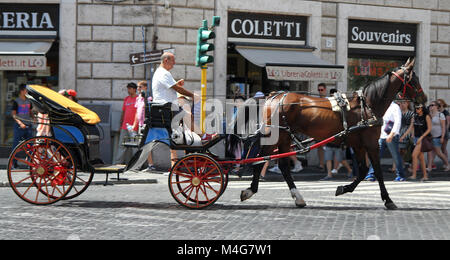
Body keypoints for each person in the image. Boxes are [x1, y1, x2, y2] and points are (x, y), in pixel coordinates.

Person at [152, 52, 194, 168]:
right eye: (173, 61)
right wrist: (193, 95)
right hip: (166, 108)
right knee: (188, 114)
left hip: (165, 107)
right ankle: (197, 139)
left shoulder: (161, 73)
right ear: (166, 60)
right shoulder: (164, 73)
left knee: (185, 120)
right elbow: (177, 90)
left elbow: (172, 87)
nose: (174, 64)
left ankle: (190, 142)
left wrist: (177, 84)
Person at [365, 101, 406, 182]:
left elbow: (398, 122)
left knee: (395, 156)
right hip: (382, 135)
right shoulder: (381, 106)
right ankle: (371, 174)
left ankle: (400, 175)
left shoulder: (395, 107)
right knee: (376, 156)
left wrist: (392, 134)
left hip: (392, 136)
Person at [403, 104, 432, 181]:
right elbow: (411, 127)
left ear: (422, 109)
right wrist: (404, 136)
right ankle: (425, 176)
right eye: (416, 108)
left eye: (418, 108)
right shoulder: (414, 116)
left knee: (414, 155)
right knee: (421, 158)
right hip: (416, 138)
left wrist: (421, 137)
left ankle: (414, 175)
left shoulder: (426, 116)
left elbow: (429, 129)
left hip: (423, 138)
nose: (417, 109)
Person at [132, 81, 155, 171]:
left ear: (145, 88)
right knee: (141, 145)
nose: (138, 89)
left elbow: (149, 110)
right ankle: (145, 164)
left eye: (140, 87)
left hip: (146, 124)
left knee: (145, 144)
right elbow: (137, 112)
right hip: (140, 125)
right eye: (138, 87)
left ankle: (148, 165)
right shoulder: (138, 98)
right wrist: (134, 124)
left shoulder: (148, 98)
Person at [113, 82, 138, 165]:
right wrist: (121, 124)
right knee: (122, 145)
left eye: (130, 88)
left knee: (135, 146)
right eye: (128, 88)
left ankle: (136, 164)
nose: (128, 90)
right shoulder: (126, 99)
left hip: (134, 127)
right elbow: (123, 112)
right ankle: (118, 163)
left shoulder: (138, 99)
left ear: (134, 89)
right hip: (125, 126)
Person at [12, 84, 33, 167]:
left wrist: (34, 117)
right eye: (26, 90)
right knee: (16, 145)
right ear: (22, 91)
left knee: (30, 145)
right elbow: (13, 115)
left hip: (28, 125)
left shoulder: (29, 101)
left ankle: (30, 164)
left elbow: (30, 111)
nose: (27, 92)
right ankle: (14, 164)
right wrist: (20, 123)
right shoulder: (16, 101)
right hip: (19, 126)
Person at [426, 101, 450, 172]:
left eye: (432, 105)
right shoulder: (428, 115)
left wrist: (442, 137)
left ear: (437, 106)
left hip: (438, 136)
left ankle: (447, 164)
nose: (431, 106)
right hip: (430, 137)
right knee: (429, 152)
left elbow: (443, 127)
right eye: (430, 105)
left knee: (438, 153)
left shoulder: (440, 115)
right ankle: (429, 167)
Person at [316, 83, 327, 170]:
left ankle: (329, 165)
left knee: (327, 147)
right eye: (319, 90)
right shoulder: (316, 100)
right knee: (319, 147)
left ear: (325, 90)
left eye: (321, 90)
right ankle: (321, 164)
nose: (320, 92)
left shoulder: (328, 100)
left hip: (327, 126)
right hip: (318, 126)